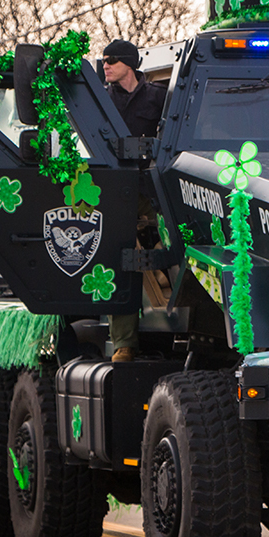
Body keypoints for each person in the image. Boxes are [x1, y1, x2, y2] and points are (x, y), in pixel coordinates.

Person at [102, 39, 165, 363]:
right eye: (104, 59)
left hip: (150, 189)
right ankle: (124, 343)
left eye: (112, 59)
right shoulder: (101, 100)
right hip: (114, 191)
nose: (106, 64)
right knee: (120, 259)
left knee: (172, 240)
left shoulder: (158, 97)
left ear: (129, 63)